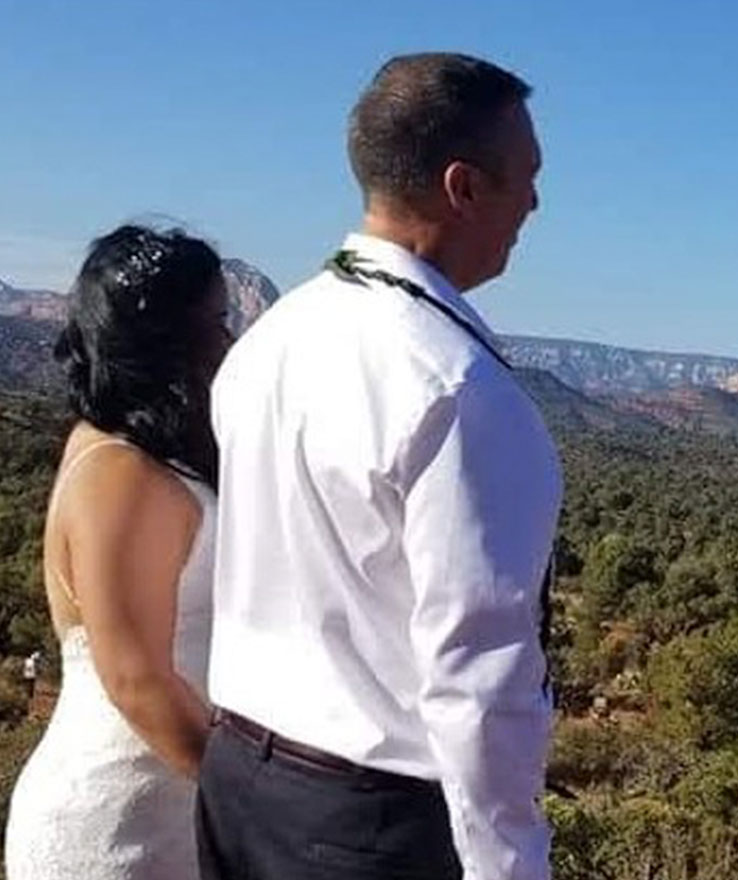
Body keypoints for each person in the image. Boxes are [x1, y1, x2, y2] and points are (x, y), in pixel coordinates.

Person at [197, 52, 557, 880]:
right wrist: (509, 864)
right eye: (528, 178)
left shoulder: (270, 340)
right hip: (369, 825)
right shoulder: (458, 388)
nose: (535, 204)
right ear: (464, 188)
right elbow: (479, 679)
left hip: (237, 786)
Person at [5, 225, 233, 879]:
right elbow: (137, 680)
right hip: (118, 830)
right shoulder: (120, 472)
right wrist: (256, 810)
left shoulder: (140, 453)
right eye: (216, 322)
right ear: (169, 340)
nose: (229, 341)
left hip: (173, 812)